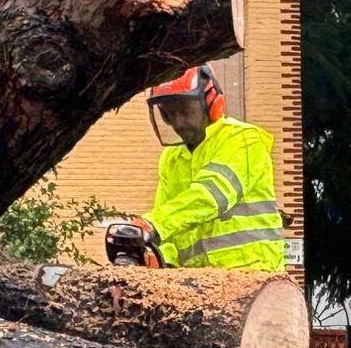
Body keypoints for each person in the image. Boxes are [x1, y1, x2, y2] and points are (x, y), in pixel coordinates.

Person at [105, 65, 285, 270]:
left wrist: (151, 225)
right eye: (169, 114)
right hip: (200, 283)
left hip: (253, 275)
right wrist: (157, 255)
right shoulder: (172, 159)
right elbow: (171, 229)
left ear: (211, 102)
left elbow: (211, 196)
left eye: (185, 111)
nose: (179, 122)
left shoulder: (243, 140)